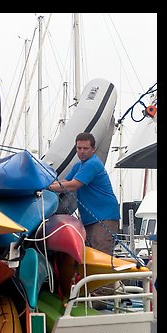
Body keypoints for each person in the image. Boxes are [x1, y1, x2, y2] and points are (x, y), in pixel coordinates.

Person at [49, 132, 121, 308]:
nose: (81, 151)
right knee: (91, 257)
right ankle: (93, 297)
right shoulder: (79, 165)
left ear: (93, 149)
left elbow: (73, 185)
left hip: (104, 217)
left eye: (85, 148)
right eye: (79, 148)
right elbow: (65, 181)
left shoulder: (93, 164)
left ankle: (101, 302)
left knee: (102, 257)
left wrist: (47, 186)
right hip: (90, 219)